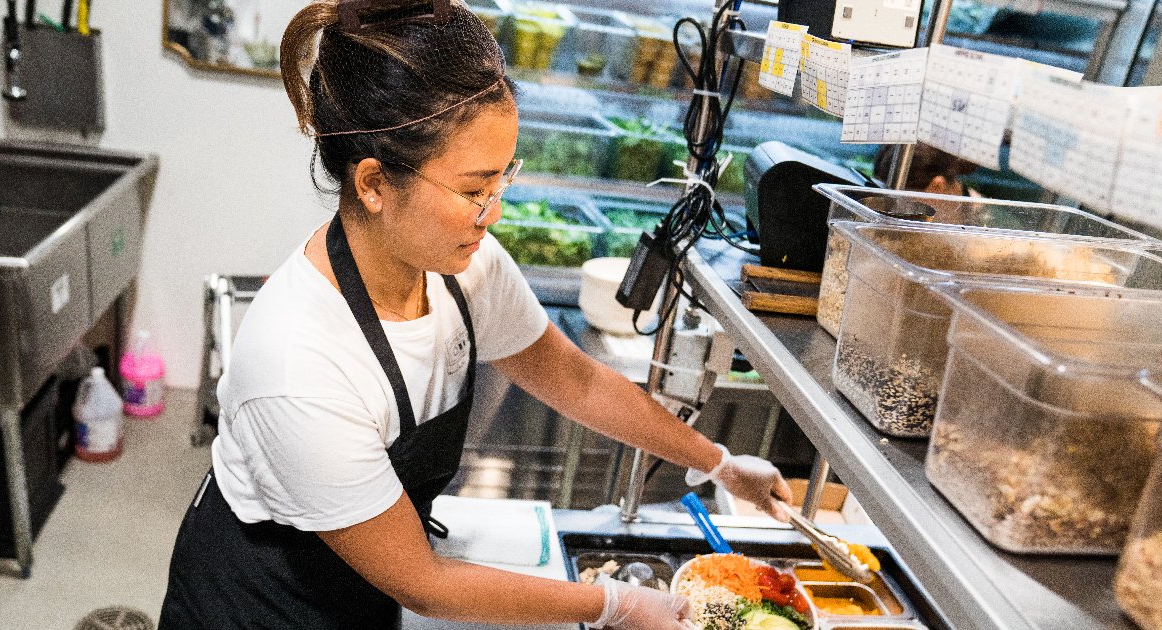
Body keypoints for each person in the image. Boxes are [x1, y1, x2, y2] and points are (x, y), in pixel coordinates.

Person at [159, 2, 794, 628]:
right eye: (471, 190)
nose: (493, 213)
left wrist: (721, 464)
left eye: (501, 181)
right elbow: (423, 584)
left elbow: (574, 379)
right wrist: (616, 604)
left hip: (369, 586)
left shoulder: (466, 267)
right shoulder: (297, 361)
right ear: (374, 184)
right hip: (261, 602)